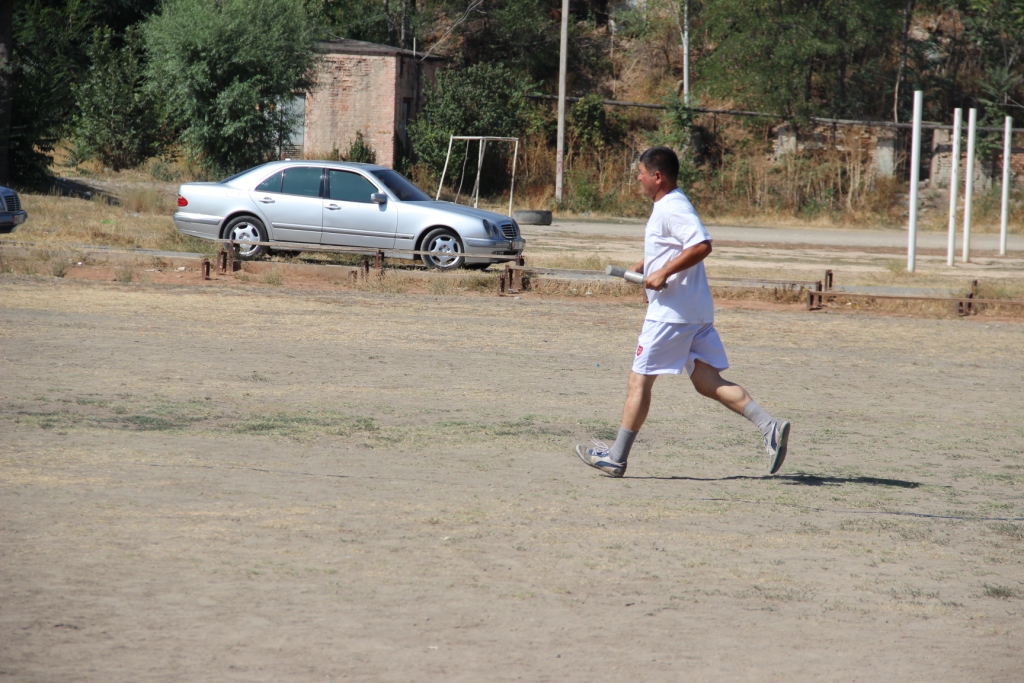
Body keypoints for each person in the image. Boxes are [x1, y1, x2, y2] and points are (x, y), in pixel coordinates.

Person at [575, 146, 790, 478]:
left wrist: (663, 272)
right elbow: (675, 246)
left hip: (671, 315)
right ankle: (769, 426)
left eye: (641, 174)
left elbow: (701, 245)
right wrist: (648, 263)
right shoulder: (670, 205)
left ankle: (616, 457)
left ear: (657, 176)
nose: (638, 179)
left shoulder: (672, 207)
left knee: (639, 381)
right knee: (706, 381)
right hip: (694, 311)